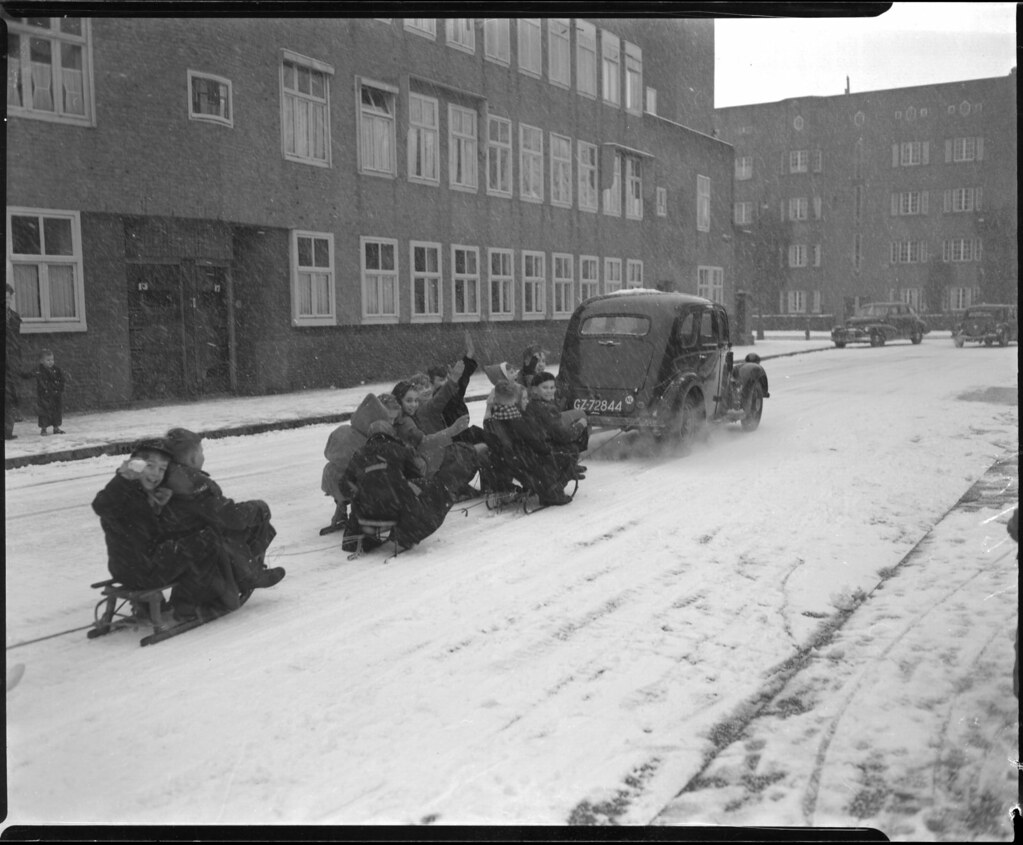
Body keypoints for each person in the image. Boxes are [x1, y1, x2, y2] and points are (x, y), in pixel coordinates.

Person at [92, 439, 247, 620]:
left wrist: (157, 508)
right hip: (146, 571)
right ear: (136, 466)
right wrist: (123, 477)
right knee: (207, 539)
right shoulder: (123, 490)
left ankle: (149, 607)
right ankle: (188, 605)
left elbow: (142, 532)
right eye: (150, 466)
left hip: (125, 568)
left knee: (188, 541)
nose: (156, 474)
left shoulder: (139, 493)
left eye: (162, 469)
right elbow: (101, 505)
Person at [159, 427, 285, 602]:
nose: (203, 456)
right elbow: (229, 516)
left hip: (166, 546)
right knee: (237, 524)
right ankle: (248, 575)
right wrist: (258, 508)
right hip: (192, 551)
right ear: (192, 457)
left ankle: (246, 570)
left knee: (217, 527)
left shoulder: (159, 476)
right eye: (201, 452)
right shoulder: (192, 484)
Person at [340, 419, 462, 552]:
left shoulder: (359, 454)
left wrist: (363, 492)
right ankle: (408, 533)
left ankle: (355, 538)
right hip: (395, 510)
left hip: (365, 514)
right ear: (391, 434)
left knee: (361, 494)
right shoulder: (400, 450)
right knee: (429, 487)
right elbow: (416, 478)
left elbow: (344, 486)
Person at [319, 393, 399, 534]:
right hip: (351, 485)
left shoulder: (344, 430)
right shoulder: (369, 442)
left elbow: (327, 453)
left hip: (331, 478)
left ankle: (340, 511)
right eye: (389, 419)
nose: (391, 423)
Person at [483, 380, 572, 507]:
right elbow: (535, 443)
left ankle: (545, 488)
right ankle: (552, 492)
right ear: (515, 398)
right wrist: (547, 449)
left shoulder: (492, 419)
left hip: (504, 461)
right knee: (566, 455)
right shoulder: (516, 420)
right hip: (524, 461)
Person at [524, 371, 589, 480]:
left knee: (578, 417)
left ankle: (570, 468)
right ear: (535, 389)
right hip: (543, 450)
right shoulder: (545, 408)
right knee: (573, 442)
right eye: (545, 388)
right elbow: (564, 436)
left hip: (537, 445)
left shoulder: (535, 404)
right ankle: (562, 478)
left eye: (552, 387)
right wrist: (580, 425)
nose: (549, 391)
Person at [5, 284, 25, 440]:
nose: (6, 300)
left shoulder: (14, 317)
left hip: (11, 362)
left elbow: (16, 341)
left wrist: (17, 361)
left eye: (8, 297)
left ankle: (7, 431)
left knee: (10, 396)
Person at [34, 349, 68, 436]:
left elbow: (62, 379)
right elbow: (30, 375)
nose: (50, 362)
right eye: (48, 360)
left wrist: (60, 388)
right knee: (44, 412)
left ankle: (56, 427)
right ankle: (43, 428)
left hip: (56, 395)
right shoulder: (39, 370)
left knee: (56, 411)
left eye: (52, 360)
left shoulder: (57, 370)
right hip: (44, 395)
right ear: (41, 361)